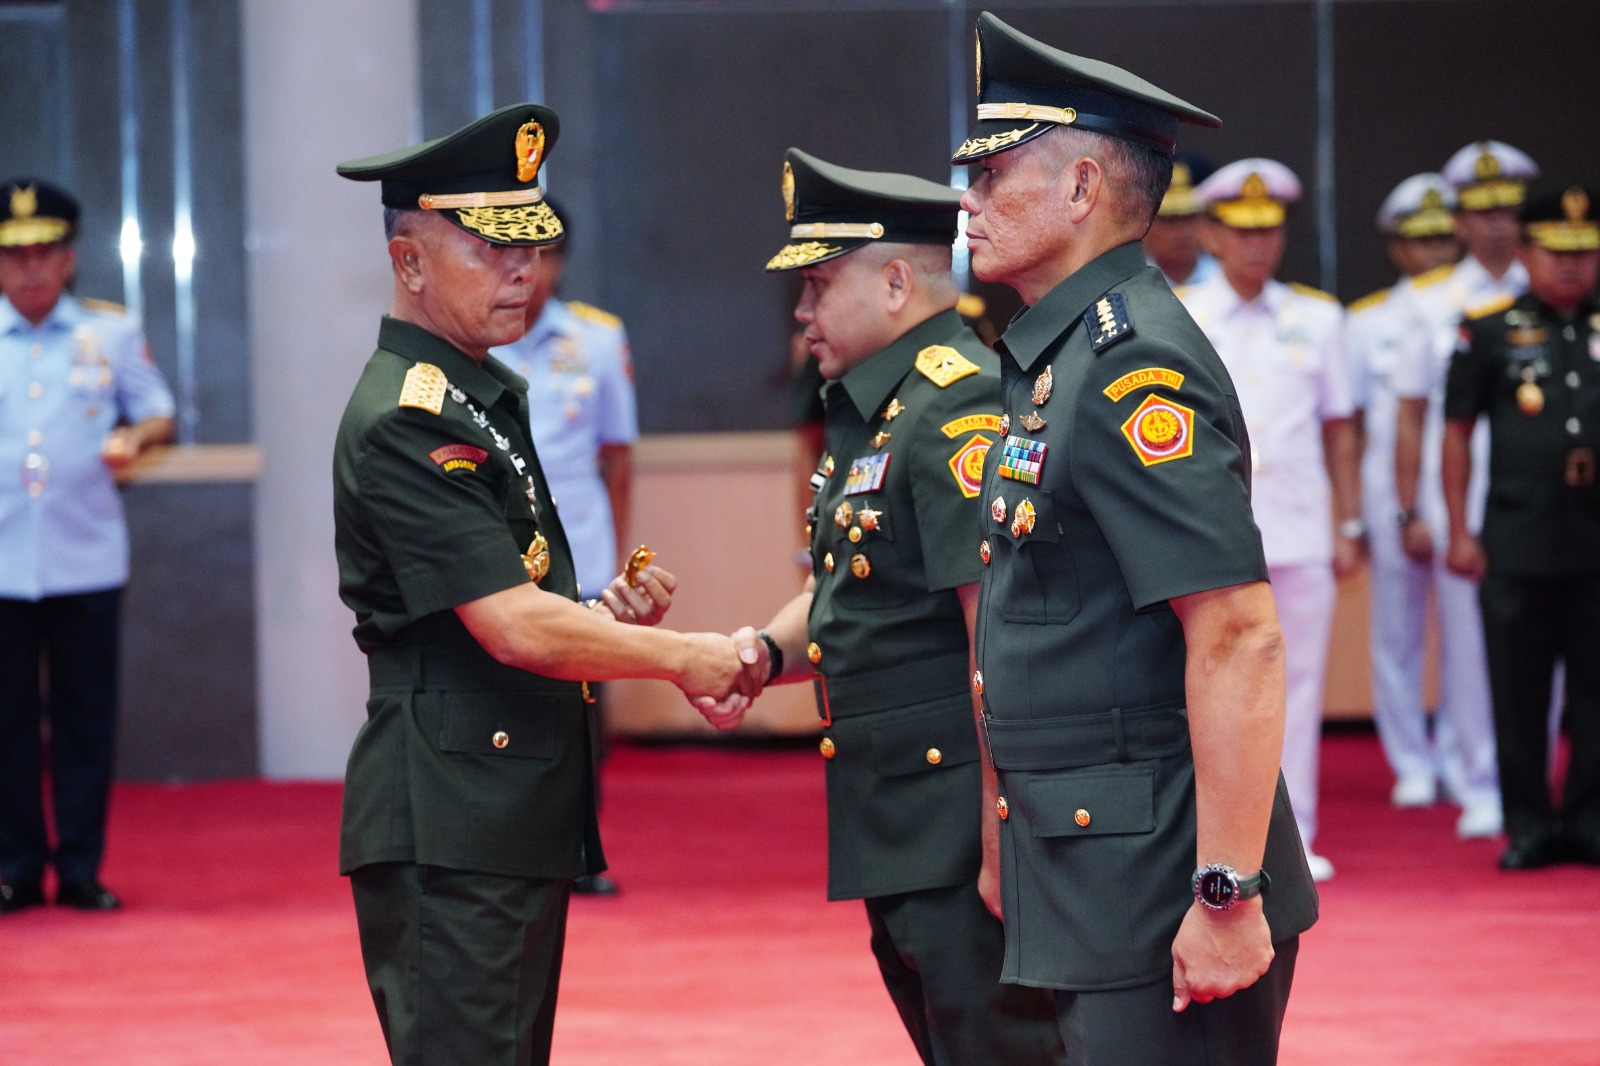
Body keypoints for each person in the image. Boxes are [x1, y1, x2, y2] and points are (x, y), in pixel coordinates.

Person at [332, 103, 751, 1065]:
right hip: (452, 816)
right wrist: (681, 657)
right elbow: (513, 628)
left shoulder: (477, 393)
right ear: (409, 263)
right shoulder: (409, 418)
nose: (522, 269)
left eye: (528, 246)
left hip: (500, 804)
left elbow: (500, 605)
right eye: (492, 249)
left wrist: (598, 619)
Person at [948, 14, 1317, 1063]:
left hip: (1160, 878)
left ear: (1080, 190)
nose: (967, 202)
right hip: (1090, 859)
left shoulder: (1128, 366)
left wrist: (1227, 892)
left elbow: (1237, 632)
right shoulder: (1062, 353)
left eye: (991, 176)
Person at [713, 148, 1065, 1066]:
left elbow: (995, 633)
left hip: (955, 823)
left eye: (818, 286)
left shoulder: (952, 409)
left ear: (898, 283)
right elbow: (850, 586)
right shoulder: (879, 406)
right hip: (901, 817)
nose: (801, 313)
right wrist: (764, 652)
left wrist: (1001, 832)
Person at [1181, 158, 1361, 883]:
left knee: (1302, 684)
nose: (1257, 244)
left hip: (1300, 523)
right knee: (1211, 683)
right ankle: (1220, 839)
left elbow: (1339, 430)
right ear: (1212, 234)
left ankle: (1298, 836)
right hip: (1212, 531)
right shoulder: (1183, 313)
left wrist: (1348, 523)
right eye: (1242, 230)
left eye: (1270, 231)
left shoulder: (1318, 319)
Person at [0, 179, 175, 915]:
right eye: (15, 256)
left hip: (85, 554)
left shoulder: (109, 333)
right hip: (4, 561)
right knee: (7, 722)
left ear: (69, 259)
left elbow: (158, 410)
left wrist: (134, 437)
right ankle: (15, 868)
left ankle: (79, 868)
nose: (31, 268)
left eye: (44, 253)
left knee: (84, 718)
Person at [1442, 182, 1600, 870]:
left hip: (1595, 540)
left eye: (1584, 250)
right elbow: (1456, 432)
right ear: (1528, 254)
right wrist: (1458, 528)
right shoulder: (1489, 329)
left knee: (1595, 692)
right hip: (1516, 536)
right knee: (1518, 693)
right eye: (1556, 250)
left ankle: (1589, 821)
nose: (1571, 264)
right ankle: (1529, 824)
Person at [1390, 140, 1540, 838]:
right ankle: (1482, 779)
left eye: (1508, 209)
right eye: (1482, 212)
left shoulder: (1556, 291)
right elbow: (1411, 414)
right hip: (1463, 500)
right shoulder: (1431, 304)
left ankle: (1535, 778)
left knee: (1551, 649)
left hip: (1546, 500)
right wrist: (1409, 508)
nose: (1497, 225)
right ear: (1459, 221)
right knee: (1472, 649)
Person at [491, 202, 637, 896]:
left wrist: (618, 556)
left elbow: (618, 456)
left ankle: (580, 849)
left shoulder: (597, 340)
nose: (531, 269)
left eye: (544, 254)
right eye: (517, 253)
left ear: (562, 261)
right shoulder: (476, 336)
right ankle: (510, 848)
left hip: (580, 546)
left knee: (582, 710)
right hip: (497, 552)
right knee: (504, 704)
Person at [1344, 175, 1470, 815]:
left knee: (1465, 633)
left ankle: (1459, 754)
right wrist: (1355, 515)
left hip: (1461, 488)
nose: (1436, 250)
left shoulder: (1476, 306)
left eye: (1445, 237)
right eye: (1422, 240)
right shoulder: (1366, 320)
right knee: (1396, 632)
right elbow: (1351, 421)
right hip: (1385, 489)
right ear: (1396, 247)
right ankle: (1411, 762)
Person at [1144, 152, 1219, 287]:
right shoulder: (1123, 284)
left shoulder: (1232, 281)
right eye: (1169, 219)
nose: (1182, 231)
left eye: (1190, 217)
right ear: (1144, 222)